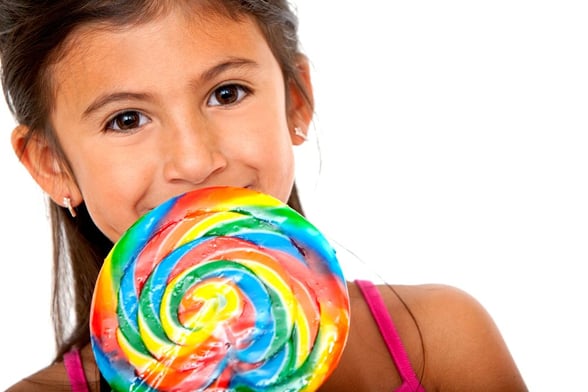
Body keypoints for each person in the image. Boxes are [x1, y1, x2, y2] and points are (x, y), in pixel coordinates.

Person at [0, 1, 527, 391]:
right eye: (127, 119)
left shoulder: (438, 343)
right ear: (52, 164)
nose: (195, 161)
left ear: (295, 100)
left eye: (226, 93)